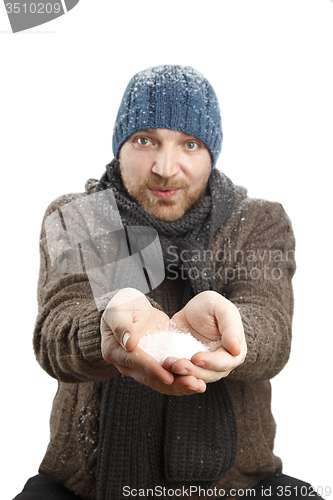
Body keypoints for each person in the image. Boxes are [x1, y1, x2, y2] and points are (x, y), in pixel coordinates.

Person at [14, 65, 321, 500]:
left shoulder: (258, 222)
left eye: (189, 145)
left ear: (211, 153)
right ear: (120, 144)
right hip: (85, 486)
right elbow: (55, 333)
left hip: (236, 485)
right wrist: (105, 325)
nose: (164, 167)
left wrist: (232, 333)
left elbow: (270, 325)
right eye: (146, 140)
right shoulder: (77, 217)